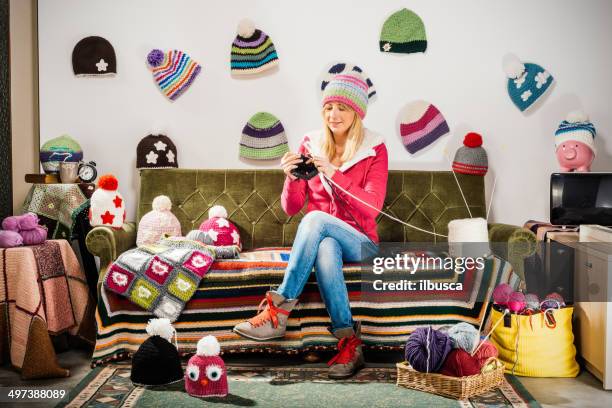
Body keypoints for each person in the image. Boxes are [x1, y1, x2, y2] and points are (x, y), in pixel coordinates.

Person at [233, 72, 389, 379]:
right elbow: (291, 208)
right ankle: (349, 342)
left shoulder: (375, 148)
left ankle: (278, 309)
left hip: (362, 242)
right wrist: (290, 178)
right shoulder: (311, 143)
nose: (333, 115)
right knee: (326, 248)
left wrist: (333, 172)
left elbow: (372, 209)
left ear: (357, 112)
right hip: (323, 241)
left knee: (316, 218)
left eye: (342, 108)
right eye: (328, 107)